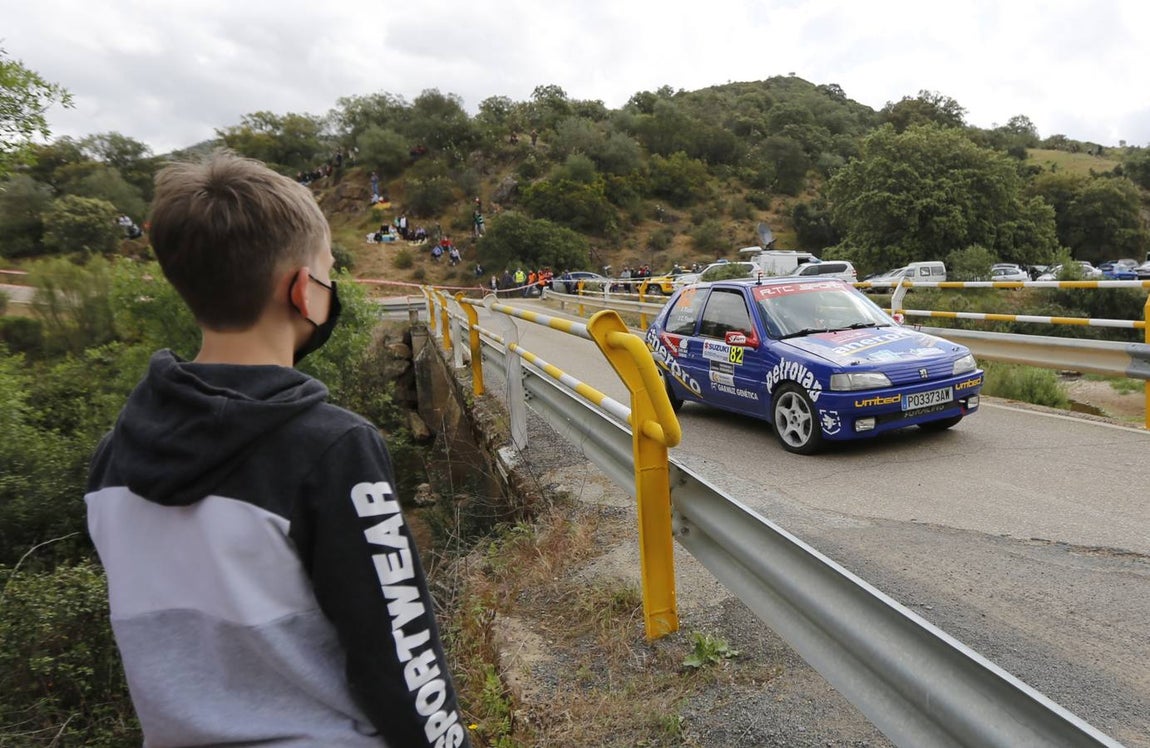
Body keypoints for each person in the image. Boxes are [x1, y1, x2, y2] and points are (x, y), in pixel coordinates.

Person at [84, 151, 470, 748]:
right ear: (301, 290)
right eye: (328, 270)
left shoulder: (112, 462)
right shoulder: (335, 449)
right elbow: (402, 656)